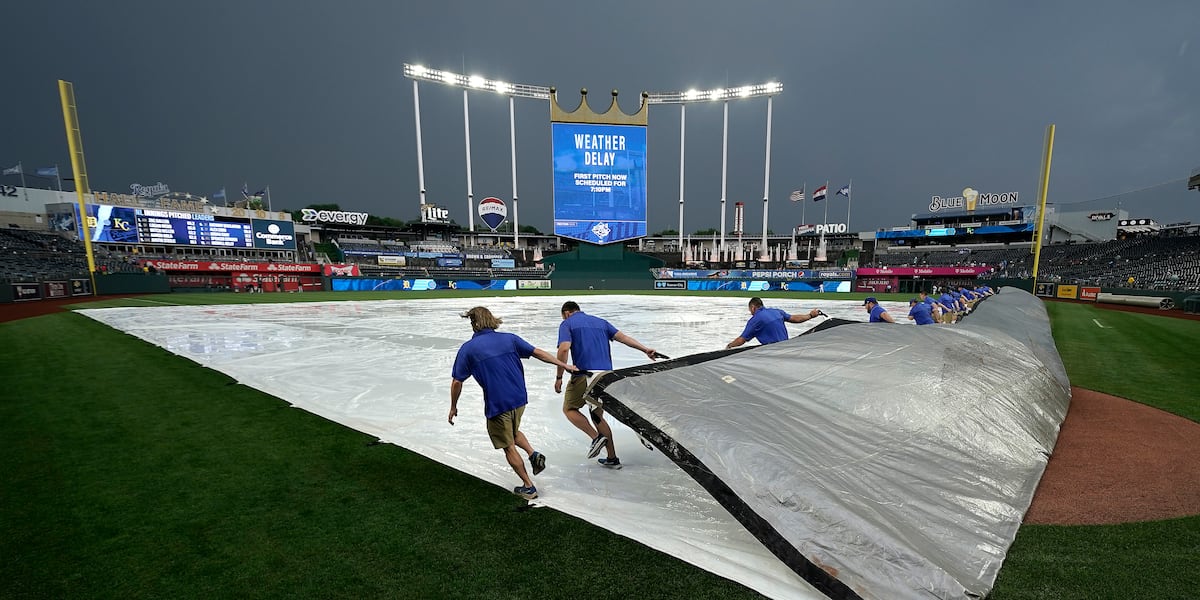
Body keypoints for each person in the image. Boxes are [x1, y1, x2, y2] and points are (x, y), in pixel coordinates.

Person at [451, 306, 578, 500]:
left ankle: (529, 486)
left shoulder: (468, 349)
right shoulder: (509, 338)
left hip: (498, 401)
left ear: (474, 323)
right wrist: (564, 365)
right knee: (512, 429)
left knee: (507, 444)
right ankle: (532, 453)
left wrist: (453, 406)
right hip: (519, 398)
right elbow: (538, 353)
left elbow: (457, 381)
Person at [556, 301, 658, 469]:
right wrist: (645, 349)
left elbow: (564, 349)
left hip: (584, 375)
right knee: (597, 416)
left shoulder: (567, 323)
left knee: (569, 409)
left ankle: (596, 437)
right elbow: (623, 338)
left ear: (566, 313)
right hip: (605, 377)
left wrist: (559, 376)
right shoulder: (600, 322)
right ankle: (612, 458)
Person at [725, 297, 822, 349]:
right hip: (787, 348)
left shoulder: (755, 320)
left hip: (773, 352)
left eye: (750, 310)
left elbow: (742, 340)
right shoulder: (777, 311)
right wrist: (810, 315)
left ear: (753, 307)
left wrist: (730, 345)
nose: (751, 312)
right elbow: (795, 318)